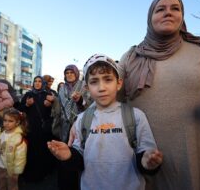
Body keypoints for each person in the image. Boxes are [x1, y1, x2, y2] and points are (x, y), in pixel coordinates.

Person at [117, 0, 200, 190]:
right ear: (149, 17)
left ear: (182, 16)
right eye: (160, 9)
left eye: (175, 8)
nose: (168, 13)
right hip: (144, 163)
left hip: (197, 162)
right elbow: (109, 102)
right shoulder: (130, 57)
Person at [48, 54, 163, 190]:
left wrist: (147, 161)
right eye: (94, 82)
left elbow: (145, 153)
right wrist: (69, 156)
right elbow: (79, 156)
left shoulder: (135, 116)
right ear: (86, 87)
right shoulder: (82, 119)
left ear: (118, 83)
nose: (101, 87)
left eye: (108, 79)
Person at [51, 64, 92, 190]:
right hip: (64, 125)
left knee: (76, 153)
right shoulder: (62, 88)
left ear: (76, 73)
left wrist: (80, 101)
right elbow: (59, 105)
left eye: (71, 72)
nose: (69, 75)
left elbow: (90, 105)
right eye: (67, 73)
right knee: (63, 154)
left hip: (79, 125)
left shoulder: (84, 86)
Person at [19, 76, 56, 182]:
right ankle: (29, 175)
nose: (37, 83)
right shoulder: (28, 94)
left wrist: (50, 105)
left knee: (42, 151)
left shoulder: (47, 95)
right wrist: (26, 104)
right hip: (31, 128)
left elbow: (55, 112)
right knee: (31, 151)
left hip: (44, 129)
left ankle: (42, 174)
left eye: (40, 81)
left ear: (43, 83)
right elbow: (20, 109)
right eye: (35, 81)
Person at [0, 108, 27, 190]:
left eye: (10, 121)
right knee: (1, 185)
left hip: (11, 169)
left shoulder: (18, 138)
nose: (7, 123)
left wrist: (16, 172)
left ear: (17, 122)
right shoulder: (1, 132)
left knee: (12, 186)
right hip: (0, 166)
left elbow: (21, 158)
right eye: (5, 120)